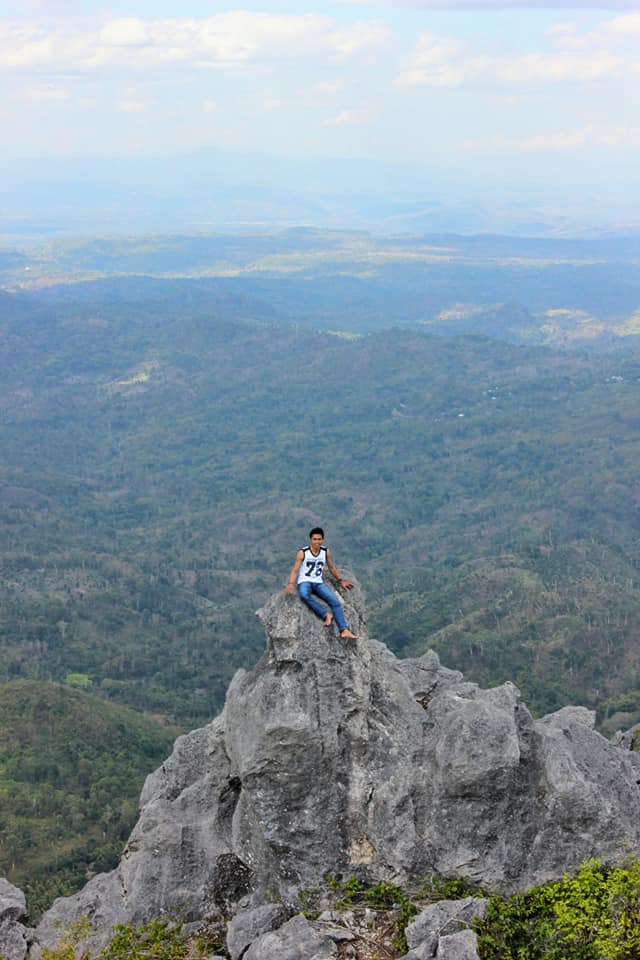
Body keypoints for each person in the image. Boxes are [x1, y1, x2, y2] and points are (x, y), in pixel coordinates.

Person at [284, 527, 358, 639]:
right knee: (304, 595)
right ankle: (325, 614)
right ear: (310, 539)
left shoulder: (325, 551)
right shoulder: (303, 552)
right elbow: (295, 570)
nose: (317, 542)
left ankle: (344, 630)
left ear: (322, 539)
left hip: (318, 582)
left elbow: (331, 567)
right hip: (305, 581)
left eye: (319, 539)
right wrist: (290, 584)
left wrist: (340, 580)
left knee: (335, 602)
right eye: (315, 539)